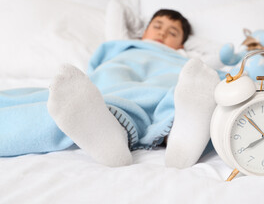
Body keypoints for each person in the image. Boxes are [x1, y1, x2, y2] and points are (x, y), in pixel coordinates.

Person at [0, 9, 220, 169]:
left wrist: (189, 46)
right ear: (144, 30)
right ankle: (110, 137)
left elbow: (219, 56)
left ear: (182, 43)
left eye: (173, 32)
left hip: (169, 78)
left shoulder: (186, 56)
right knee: (108, 93)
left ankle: (182, 140)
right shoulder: (122, 43)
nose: (163, 33)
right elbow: (117, 7)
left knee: (189, 91)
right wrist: (141, 23)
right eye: (157, 26)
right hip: (120, 75)